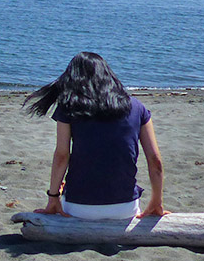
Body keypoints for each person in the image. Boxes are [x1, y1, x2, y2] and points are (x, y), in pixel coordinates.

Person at [23, 52, 169, 219]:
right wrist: (156, 203)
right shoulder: (137, 107)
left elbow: (62, 156)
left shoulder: (69, 107)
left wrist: (53, 198)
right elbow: (155, 161)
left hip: (78, 207)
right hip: (124, 208)